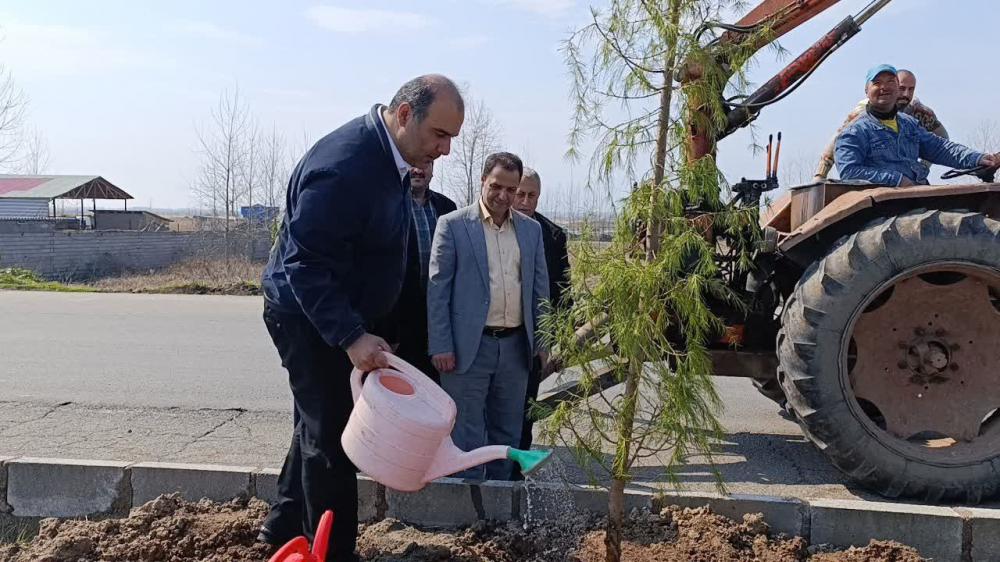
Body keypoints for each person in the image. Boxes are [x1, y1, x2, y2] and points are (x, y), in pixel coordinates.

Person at [258, 75, 464, 561]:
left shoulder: (392, 158)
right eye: (440, 135)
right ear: (405, 115)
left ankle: (283, 524)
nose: (445, 150)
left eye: (452, 138)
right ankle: (333, 554)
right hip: (309, 316)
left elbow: (377, 249)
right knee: (332, 441)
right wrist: (351, 336)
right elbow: (305, 265)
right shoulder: (344, 167)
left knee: (316, 420)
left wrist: (381, 325)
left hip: (343, 312)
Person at [427, 151, 549, 481]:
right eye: (496, 186)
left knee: (506, 431)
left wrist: (542, 341)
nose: (503, 196)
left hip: (514, 349)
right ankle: (466, 500)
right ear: (483, 181)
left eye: (511, 189)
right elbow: (438, 290)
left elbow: (539, 291)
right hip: (467, 348)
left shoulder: (530, 231)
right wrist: (441, 345)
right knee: (464, 433)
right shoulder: (453, 226)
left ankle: (497, 500)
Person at [836, 65, 999, 187]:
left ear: (897, 88)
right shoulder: (855, 131)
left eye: (890, 82)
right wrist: (896, 180)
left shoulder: (909, 123)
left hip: (917, 194)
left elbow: (940, 148)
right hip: (882, 204)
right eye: (877, 83)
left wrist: (977, 158)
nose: (884, 87)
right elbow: (849, 172)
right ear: (866, 90)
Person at [511, 167, 570, 471]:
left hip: (532, 340)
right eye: (519, 194)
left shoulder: (553, 236)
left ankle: (519, 468)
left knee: (526, 407)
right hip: (495, 335)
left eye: (531, 196)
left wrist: (550, 339)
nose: (524, 201)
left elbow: (563, 293)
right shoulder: (491, 228)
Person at [386, 160, 457, 384]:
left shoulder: (447, 208)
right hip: (398, 320)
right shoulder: (389, 206)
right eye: (412, 164)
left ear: (433, 169)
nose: (418, 170)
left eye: (425, 164)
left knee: (435, 389)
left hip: (437, 320)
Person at [814, 68, 949, 181]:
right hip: (874, 175)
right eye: (902, 88)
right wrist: (820, 176)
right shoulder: (864, 113)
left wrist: (924, 166)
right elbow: (837, 140)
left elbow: (942, 137)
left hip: (906, 173)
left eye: (911, 89)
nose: (906, 94)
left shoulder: (918, 111)